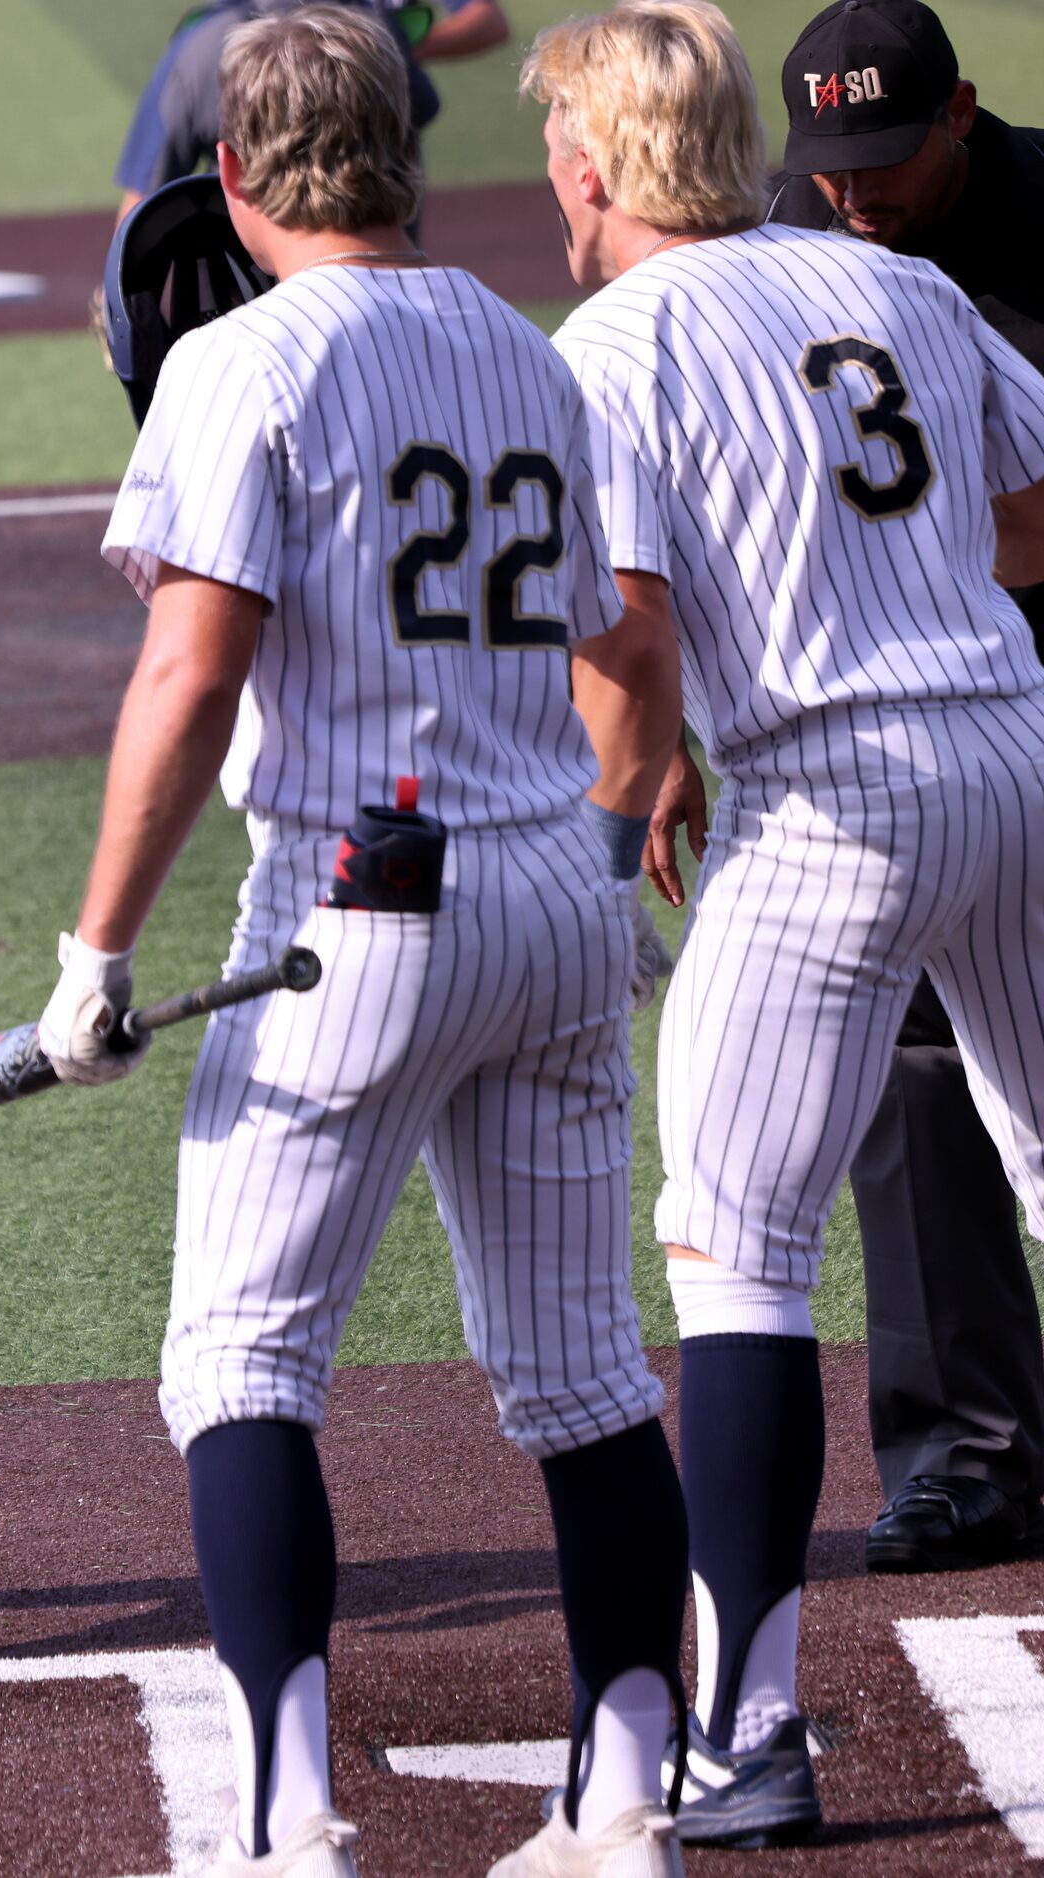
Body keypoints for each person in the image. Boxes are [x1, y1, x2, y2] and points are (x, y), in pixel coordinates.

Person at [47, 9, 691, 1873]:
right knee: (578, 1373)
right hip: (550, 901)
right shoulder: (528, 348)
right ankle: (627, 1795)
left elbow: (188, 669)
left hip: (354, 903)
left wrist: (94, 949)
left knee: (238, 1366)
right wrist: (591, 854)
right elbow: (623, 649)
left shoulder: (238, 361)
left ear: (232, 178)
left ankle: (289, 1816)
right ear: (407, 163)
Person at [531, 0, 1044, 1846]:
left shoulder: (612, 338)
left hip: (831, 796)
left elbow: (632, 639)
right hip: (1010, 742)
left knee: (734, 1243)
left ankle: (741, 1732)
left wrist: (604, 839)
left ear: (591, 165)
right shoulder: (886, 273)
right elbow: (1027, 512)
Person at [760, 0, 1044, 1576]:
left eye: (885, 159)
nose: (852, 193)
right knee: (919, 1062)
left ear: (965, 116)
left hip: (1013, 675)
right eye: (829, 161)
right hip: (931, 718)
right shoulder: (798, 228)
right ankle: (970, 1458)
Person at [110, 0, 510, 220]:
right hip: (377, 282)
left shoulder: (204, 44)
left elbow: (142, 198)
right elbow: (424, 105)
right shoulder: (377, 34)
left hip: (242, 287)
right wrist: (382, 57)